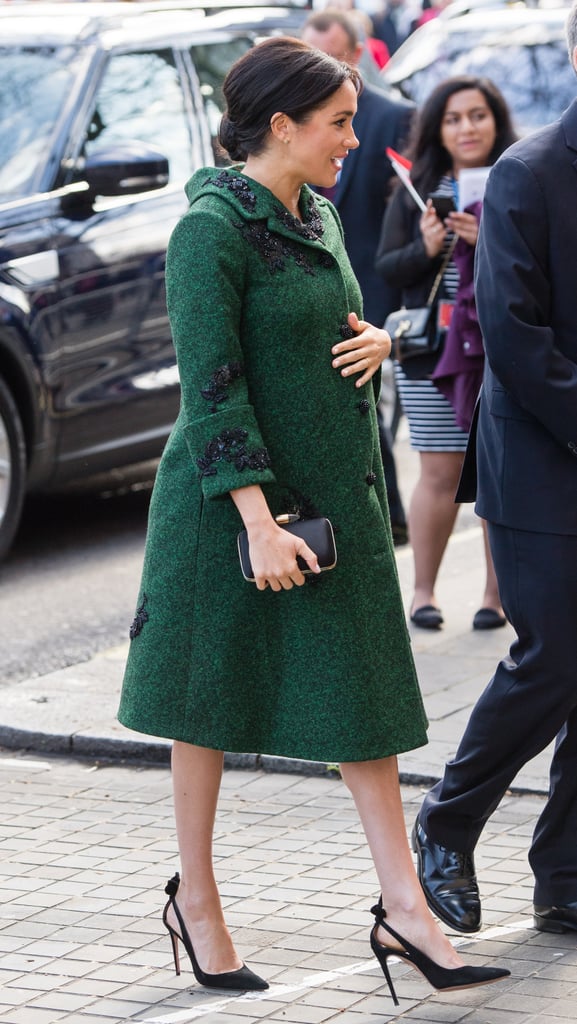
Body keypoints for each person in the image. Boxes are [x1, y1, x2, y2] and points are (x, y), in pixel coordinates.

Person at [117, 36, 509, 1004]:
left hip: (337, 505)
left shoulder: (321, 211)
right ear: (282, 125)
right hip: (232, 513)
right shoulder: (208, 229)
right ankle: (198, 903)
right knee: (203, 705)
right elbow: (212, 386)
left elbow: (330, 315)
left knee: (363, 704)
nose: (354, 136)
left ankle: (406, 910)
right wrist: (256, 520)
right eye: (338, 122)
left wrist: (380, 334)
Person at [413, 0, 577, 937]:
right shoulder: (528, 172)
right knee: (554, 657)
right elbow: (514, 338)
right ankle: (447, 820)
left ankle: (562, 873)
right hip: (545, 465)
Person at [375, 75, 516, 629]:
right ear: (438, 127)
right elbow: (387, 267)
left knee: (498, 472)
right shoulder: (420, 186)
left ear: (495, 120)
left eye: (477, 115)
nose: (467, 127)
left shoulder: (518, 178)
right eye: (454, 118)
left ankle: (496, 598)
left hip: (500, 351)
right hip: (431, 352)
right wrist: (429, 246)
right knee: (439, 471)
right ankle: (424, 594)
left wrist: (489, 240)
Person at [301, 7, 413, 544]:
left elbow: (414, 200)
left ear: (353, 55)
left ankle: (385, 515)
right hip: (321, 295)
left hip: (375, 283)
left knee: (372, 408)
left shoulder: (392, 117)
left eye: (326, 55)